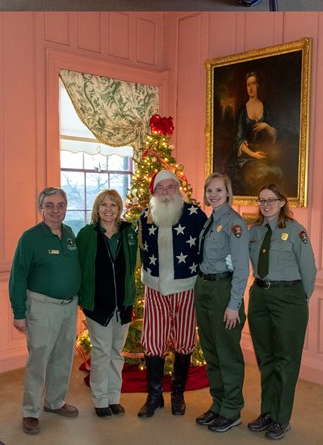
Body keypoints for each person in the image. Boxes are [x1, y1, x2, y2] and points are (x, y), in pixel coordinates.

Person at [137, 169, 209, 418]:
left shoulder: (194, 214)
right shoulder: (145, 216)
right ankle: (154, 396)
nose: (166, 193)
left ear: (178, 189)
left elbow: (207, 248)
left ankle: (177, 394)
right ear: (154, 192)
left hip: (186, 288)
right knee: (153, 341)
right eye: (161, 188)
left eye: (170, 187)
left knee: (185, 340)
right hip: (155, 288)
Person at [246, 184, 315, 441]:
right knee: (266, 360)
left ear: (283, 202)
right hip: (260, 297)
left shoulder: (296, 232)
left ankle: (281, 418)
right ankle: (267, 412)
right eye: (262, 200)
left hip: (289, 299)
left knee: (286, 362)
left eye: (271, 200)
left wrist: (299, 299)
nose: (266, 204)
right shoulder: (253, 232)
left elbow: (309, 270)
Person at [10, 187, 81, 435]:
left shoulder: (70, 234)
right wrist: (19, 312)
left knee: (63, 357)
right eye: (49, 205)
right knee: (39, 360)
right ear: (40, 208)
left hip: (69, 307)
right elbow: (18, 275)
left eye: (60, 205)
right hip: (42, 307)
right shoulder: (30, 238)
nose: (55, 210)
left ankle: (55, 402)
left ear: (65, 207)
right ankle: (30, 411)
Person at [194, 173, 250, 432]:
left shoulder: (235, 223)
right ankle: (218, 403)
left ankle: (232, 408)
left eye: (218, 190)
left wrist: (233, 305)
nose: (213, 195)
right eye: (209, 190)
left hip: (223, 292)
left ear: (228, 193)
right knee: (211, 351)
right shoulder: (209, 221)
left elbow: (241, 269)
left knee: (227, 353)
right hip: (204, 287)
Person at [75, 189, 137, 419]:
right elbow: (79, 267)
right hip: (97, 305)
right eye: (104, 205)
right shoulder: (86, 234)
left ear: (119, 209)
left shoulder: (128, 233)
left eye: (113, 205)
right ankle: (100, 400)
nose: (108, 209)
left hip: (122, 304)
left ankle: (114, 398)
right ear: (97, 209)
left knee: (116, 353)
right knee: (101, 353)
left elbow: (133, 266)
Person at [230, 70, 281, 196]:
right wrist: (254, 154)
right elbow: (239, 140)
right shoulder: (242, 111)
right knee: (261, 174)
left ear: (258, 85)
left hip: (264, 155)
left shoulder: (265, 107)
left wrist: (267, 126)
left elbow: (274, 134)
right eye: (248, 85)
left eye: (253, 84)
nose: (251, 88)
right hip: (248, 157)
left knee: (278, 172)